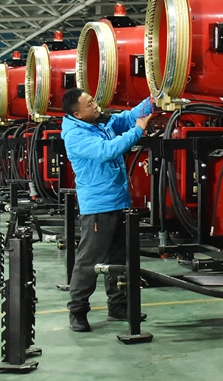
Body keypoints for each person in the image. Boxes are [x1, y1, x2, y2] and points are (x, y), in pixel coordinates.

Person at [60, 88, 153, 332]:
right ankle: (77, 311)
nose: (95, 104)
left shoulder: (100, 122)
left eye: (93, 99)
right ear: (78, 114)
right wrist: (138, 131)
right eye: (89, 103)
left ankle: (118, 306)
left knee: (118, 259)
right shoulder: (76, 135)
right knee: (89, 261)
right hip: (99, 206)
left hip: (119, 201)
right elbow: (107, 151)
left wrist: (154, 97)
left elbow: (130, 116)